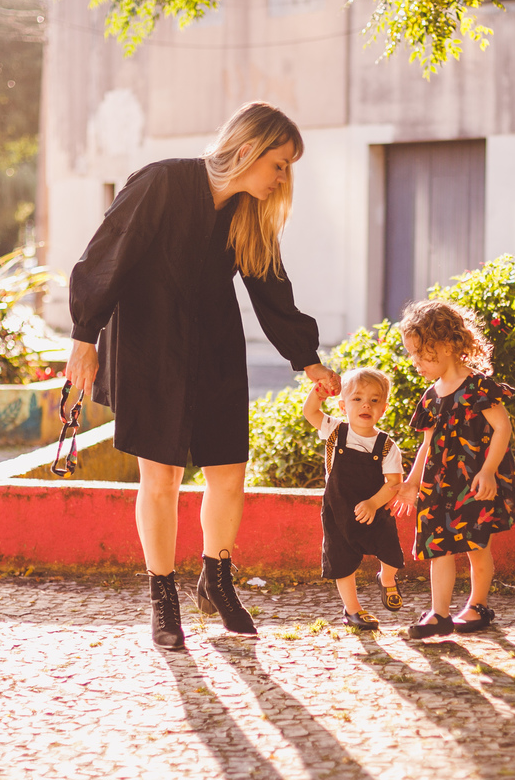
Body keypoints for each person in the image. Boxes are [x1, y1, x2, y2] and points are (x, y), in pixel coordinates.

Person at [64, 101, 341, 650]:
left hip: (215, 347)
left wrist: (306, 357)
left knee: (228, 474)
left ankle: (216, 576)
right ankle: (162, 597)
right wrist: (84, 336)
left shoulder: (247, 214)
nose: (282, 178)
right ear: (246, 151)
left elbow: (269, 285)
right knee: (161, 479)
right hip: (150, 348)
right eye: (278, 164)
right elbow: (105, 256)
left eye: (287, 168)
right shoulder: (161, 183)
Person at [392, 299, 515, 638]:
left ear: (449, 345)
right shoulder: (430, 397)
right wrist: (411, 483)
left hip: (472, 483)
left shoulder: (479, 387)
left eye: (421, 353)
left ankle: (477, 605)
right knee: (438, 547)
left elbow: (503, 429)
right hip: (439, 485)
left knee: (475, 546)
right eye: (411, 354)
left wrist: (487, 471)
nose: (415, 362)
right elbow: (426, 445)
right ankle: (438, 614)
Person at [302, 368, 406, 630]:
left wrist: (374, 503)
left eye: (374, 400)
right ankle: (353, 610)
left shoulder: (386, 445)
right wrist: (319, 391)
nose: (365, 405)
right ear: (343, 405)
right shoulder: (335, 431)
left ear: (383, 408)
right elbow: (310, 412)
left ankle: (387, 578)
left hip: (375, 508)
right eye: (357, 399)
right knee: (342, 561)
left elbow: (394, 482)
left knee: (391, 552)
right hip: (339, 511)